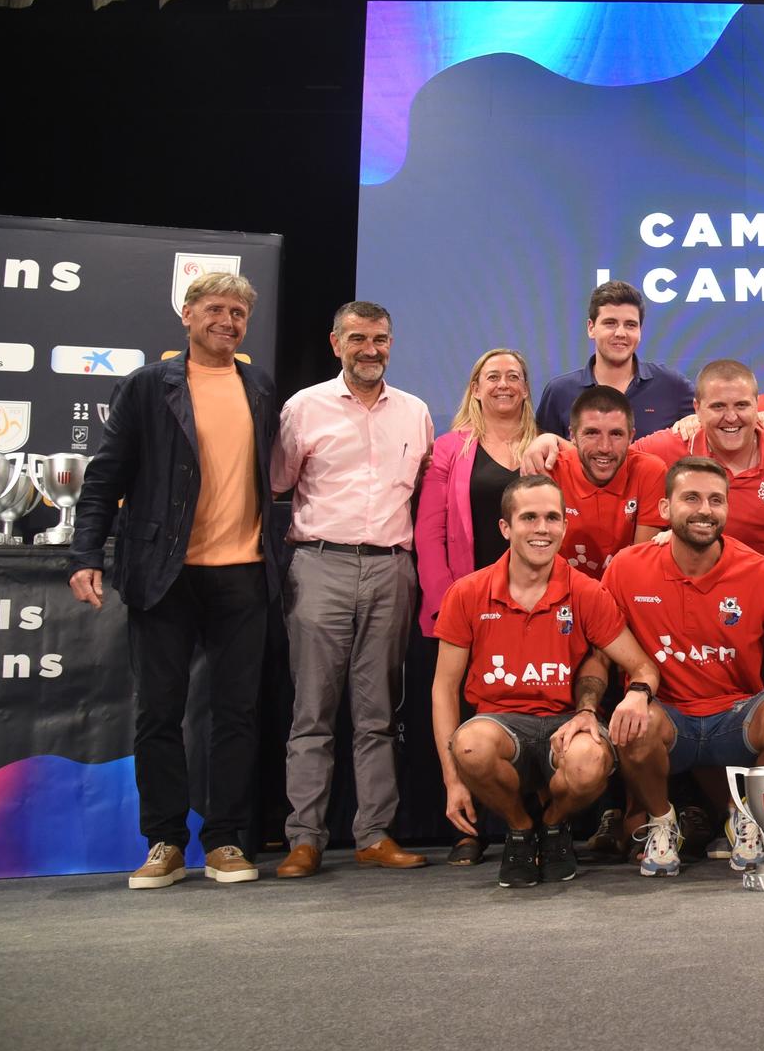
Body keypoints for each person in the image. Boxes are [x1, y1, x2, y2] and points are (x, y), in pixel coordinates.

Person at [69, 271, 280, 889]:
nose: (228, 321)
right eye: (215, 309)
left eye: (238, 313)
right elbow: (105, 478)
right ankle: (164, 840)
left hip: (243, 573)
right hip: (163, 574)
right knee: (158, 712)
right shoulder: (145, 386)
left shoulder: (259, 386)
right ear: (186, 315)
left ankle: (226, 842)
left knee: (236, 713)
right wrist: (86, 555)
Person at [430, 476, 668, 888]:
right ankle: (520, 828)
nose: (542, 528)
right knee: (470, 746)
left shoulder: (587, 593)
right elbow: (443, 689)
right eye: (529, 518)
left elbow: (645, 668)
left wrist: (634, 695)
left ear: (563, 526)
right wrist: (453, 780)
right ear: (506, 528)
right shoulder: (466, 593)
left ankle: (554, 825)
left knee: (589, 760)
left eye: (552, 518)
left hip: (564, 723)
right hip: (501, 726)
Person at [599, 457, 764, 874]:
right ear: (666, 509)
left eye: (716, 500)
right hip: (668, 717)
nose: (705, 510)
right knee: (633, 724)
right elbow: (601, 650)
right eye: (691, 498)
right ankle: (663, 821)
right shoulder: (626, 569)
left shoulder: (761, 573)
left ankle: (744, 814)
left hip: (736, 715)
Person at [270, 300, 435, 878]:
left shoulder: (415, 412)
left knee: (379, 715)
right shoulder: (304, 407)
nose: (372, 349)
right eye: (359, 338)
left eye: (381, 339)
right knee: (313, 712)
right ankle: (305, 838)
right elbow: (278, 483)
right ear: (335, 342)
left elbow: (417, 493)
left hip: (392, 568)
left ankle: (372, 833)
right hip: (319, 564)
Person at [415, 346, 540, 865]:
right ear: (475, 387)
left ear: (527, 389)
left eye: (514, 376)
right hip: (466, 601)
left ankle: (528, 822)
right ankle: (468, 826)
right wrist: (448, 602)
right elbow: (430, 531)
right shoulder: (450, 449)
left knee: (528, 708)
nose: (504, 384)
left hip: (533, 600)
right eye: (493, 376)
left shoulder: (547, 448)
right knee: (467, 711)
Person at [626, 360, 764, 563]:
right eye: (718, 407)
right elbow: (610, 459)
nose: (731, 417)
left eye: (742, 406)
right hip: (698, 587)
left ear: (757, 406)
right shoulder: (671, 445)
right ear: (697, 409)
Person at [534, 280, 695, 439]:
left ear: (640, 331)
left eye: (630, 325)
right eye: (610, 323)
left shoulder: (672, 386)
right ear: (591, 328)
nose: (620, 333)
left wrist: (697, 419)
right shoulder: (559, 392)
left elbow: (712, 423)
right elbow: (543, 453)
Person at [546, 386, 669, 578]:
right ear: (572, 435)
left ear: (631, 436)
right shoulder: (550, 471)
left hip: (622, 590)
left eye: (616, 434)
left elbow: (639, 563)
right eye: (592, 433)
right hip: (564, 595)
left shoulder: (649, 471)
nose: (604, 447)